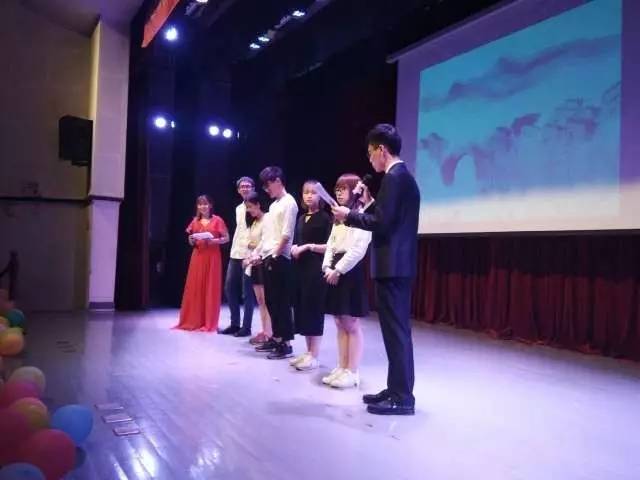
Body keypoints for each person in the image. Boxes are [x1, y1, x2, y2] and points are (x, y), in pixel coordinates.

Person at [332, 124, 420, 415]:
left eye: (371, 153)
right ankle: (396, 389)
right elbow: (386, 217)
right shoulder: (401, 177)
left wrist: (349, 215)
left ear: (382, 150)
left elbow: (381, 224)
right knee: (395, 332)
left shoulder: (394, 178)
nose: (370, 159)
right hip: (397, 266)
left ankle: (402, 397)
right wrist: (368, 204)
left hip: (393, 266)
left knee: (396, 333)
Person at [321, 174, 371, 388]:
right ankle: (342, 366)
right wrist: (326, 266)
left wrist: (339, 270)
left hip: (350, 270)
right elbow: (331, 244)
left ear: (354, 190)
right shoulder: (338, 215)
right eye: (337, 189)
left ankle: (352, 371)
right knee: (339, 321)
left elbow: (358, 249)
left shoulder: (361, 215)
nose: (339, 193)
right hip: (334, 268)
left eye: (344, 189)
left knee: (351, 323)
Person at [252, 166, 298, 359]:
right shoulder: (273, 206)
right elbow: (269, 235)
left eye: (268, 185)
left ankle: (286, 344)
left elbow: (286, 234)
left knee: (282, 302)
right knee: (271, 301)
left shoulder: (290, 202)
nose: (266, 189)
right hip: (269, 256)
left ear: (278, 181)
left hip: (280, 258)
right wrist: (260, 254)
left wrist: (276, 255)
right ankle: (276, 337)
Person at [289, 180, 332, 371]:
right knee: (303, 310)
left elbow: (330, 246)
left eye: (313, 192)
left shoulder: (325, 218)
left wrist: (308, 247)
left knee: (314, 310)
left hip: (316, 269)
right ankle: (308, 352)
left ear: (320, 196)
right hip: (300, 269)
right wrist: (294, 247)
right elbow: (298, 241)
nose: (309, 196)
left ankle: (315, 355)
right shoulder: (301, 218)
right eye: (306, 192)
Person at [174, 195, 229, 332]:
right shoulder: (194, 221)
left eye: (205, 204)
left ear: (210, 205)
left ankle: (209, 321)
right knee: (195, 287)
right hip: (198, 256)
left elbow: (226, 238)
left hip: (212, 257)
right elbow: (190, 239)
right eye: (200, 204)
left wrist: (214, 241)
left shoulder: (217, 220)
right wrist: (191, 239)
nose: (203, 207)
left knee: (210, 287)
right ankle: (194, 320)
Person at [221, 177, 256, 337]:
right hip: (235, 252)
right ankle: (234, 323)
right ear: (238, 190)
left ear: (253, 188)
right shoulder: (238, 208)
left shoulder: (257, 206)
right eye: (242, 186)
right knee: (229, 288)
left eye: (248, 186)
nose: (245, 188)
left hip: (249, 254)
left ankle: (246, 327)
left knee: (247, 292)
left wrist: (253, 251)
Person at [242, 192, 273, 346]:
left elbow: (265, 242)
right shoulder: (253, 222)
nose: (249, 210)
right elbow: (248, 241)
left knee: (266, 300)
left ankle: (270, 333)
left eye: (250, 207)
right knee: (260, 300)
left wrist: (253, 252)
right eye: (247, 208)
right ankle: (264, 330)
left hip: (262, 262)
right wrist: (248, 257)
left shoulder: (267, 219)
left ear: (258, 204)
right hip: (253, 263)